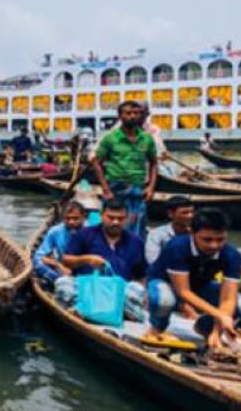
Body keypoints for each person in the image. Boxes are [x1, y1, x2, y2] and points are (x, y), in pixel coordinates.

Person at [146, 208, 241, 350]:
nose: (214, 245)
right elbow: (183, 292)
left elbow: (228, 298)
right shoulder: (177, 247)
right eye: (207, 239)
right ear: (192, 233)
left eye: (220, 239)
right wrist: (220, 315)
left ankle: (206, 328)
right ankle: (156, 328)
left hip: (201, 287)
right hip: (168, 285)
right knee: (165, 300)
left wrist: (217, 331)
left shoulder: (232, 255)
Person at [56, 199, 148, 321]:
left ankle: (117, 311)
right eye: (111, 217)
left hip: (118, 293)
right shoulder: (84, 234)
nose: (115, 222)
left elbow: (141, 275)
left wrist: (143, 298)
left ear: (127, 218)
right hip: (87, 289)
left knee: (138, 290)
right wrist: (86, 259)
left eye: (120, 219)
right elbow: (66, 260)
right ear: (102, 216)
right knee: (62, 283)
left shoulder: (136, 242)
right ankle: (84, 309)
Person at [90, 100, 158, 238]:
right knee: (112, 226)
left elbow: (154, 163)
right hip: (115, 188)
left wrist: (151, 187)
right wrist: (106, 189)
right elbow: (97, 163)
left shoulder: (147, 139)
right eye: (128, 113)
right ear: (120, 116)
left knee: (137, 227)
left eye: (136, 113)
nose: (132, 116)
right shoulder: (110, 138)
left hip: (138, 189)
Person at [33, 200, 87, 284]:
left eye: (75, 218)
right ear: (63, 218)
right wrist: (59, 266)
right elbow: (39, 257)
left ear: (83, 217)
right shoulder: (55, 231)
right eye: (67, 218)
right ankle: (61, 280)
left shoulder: (91, 232)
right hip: (62, 271)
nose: (71, 222)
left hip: (86, 271)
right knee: (38, 264)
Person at [145, 195, 194, 265]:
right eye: (185, 213)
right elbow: (153, 261)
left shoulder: (195, 234)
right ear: (170, 214)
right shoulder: (156, 234)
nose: (190, 216)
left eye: (192, 212)